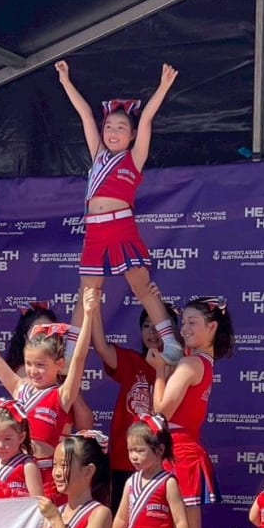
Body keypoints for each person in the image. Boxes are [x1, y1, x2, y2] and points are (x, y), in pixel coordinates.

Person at [54, 59, 184, 364]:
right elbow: (85, 113)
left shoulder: (134, 159)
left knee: (142, 286)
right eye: (109, 127)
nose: (113, 132)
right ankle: (72, 351)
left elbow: (148, 118)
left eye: (121, 127)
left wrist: (163, 86)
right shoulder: (97, 155)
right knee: (87, 292)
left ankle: (171, 343)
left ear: (132, 135)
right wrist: (65, 81)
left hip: (121, 227)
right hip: (95, 231)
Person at [90, 292, 180, 528]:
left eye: (159, 326)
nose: (152, 332)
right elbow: (101, 346)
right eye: (146, 325)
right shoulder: (131, 361)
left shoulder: (181, 367)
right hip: (124, 461)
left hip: (161, 465)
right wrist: (93, 309)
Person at [0, 286, 98, 503]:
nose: (33, 371)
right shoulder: (19, 388)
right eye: (29, 364)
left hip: (50, 480)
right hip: (18, 477)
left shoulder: (62, 395)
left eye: (41, 365)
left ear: (59, 364)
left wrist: (89, 316)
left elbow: (79, 359)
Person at [148, 296, 235, 528]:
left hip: (181, 456)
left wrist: (158, 372)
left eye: (192, 323)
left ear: (212, 327)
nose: (184, 328)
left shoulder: (189, 364)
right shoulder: (202, 361)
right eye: (182, 322)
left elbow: (160, 411)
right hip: (181, 454)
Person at [7, 301, 93, 433]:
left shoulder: (61, 372)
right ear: (25, 338)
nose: (42, 339)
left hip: (61, 451)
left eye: (47, 332)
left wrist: (68, 377)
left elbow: (85, 426)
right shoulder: (24, 372)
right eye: (37, 333)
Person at [0, 398, 44, 499]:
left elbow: (39, 504)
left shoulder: (27, 466)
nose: (0, 445)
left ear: (21, 437)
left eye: (7, 439)